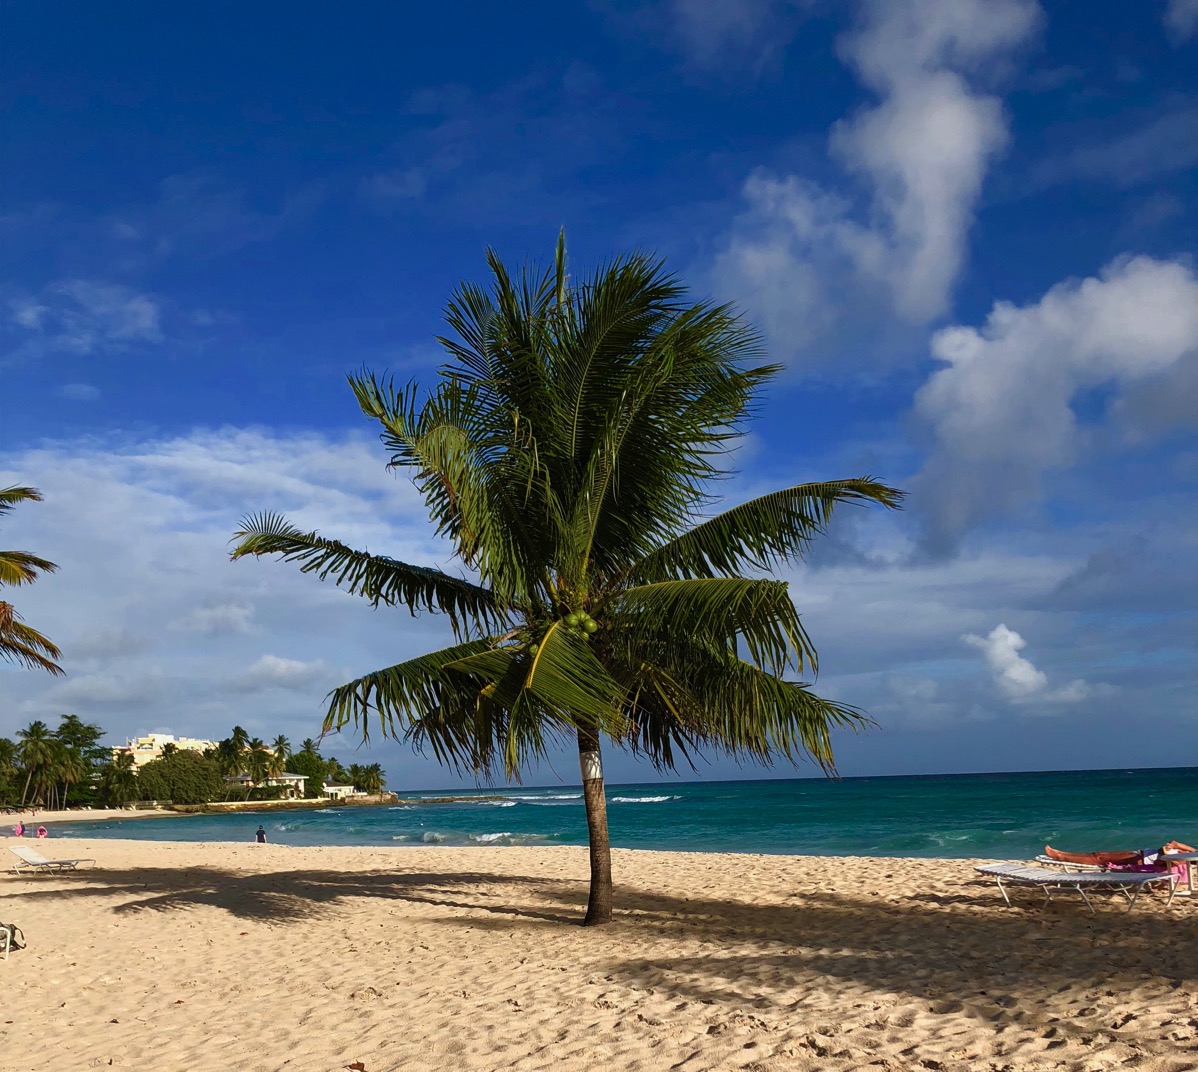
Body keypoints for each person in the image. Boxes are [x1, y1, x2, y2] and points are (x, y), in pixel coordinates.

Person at [1045, 840, 1195, 870]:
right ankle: (1062, 853)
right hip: (1139, 853)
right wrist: (1173, 846)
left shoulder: (1182, 861)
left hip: (1138, 860)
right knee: (1099, 855)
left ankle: (1060, 856)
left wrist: (1165, 851)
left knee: (1099, 858)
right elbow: (1175, 842)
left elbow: (1160, 864)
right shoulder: (1190, 854)